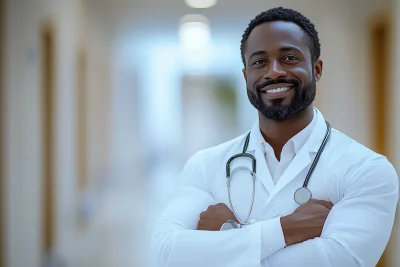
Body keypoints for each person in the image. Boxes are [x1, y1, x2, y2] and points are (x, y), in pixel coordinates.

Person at [152, 7, 399, 267]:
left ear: (316, 69)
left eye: (289, 58)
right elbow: (166, 252)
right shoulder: (205, 166)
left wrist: (226, 235)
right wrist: (284, 230)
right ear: (246, 76)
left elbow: (340, 261)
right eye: (259, 62)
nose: (273, 72)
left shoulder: (367, 170)